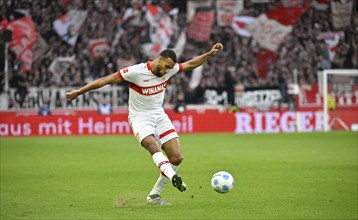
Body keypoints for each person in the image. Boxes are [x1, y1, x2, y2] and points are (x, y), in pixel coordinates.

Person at [66, 43, 224, 205]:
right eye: (166, 67)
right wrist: (78, 92)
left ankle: (154, 196)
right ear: (159, 59)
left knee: (176, 158)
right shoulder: (135, 72)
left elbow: (191, 64)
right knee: (152, 146)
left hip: (159, 115)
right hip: (139, 117)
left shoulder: (169, 69)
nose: (167, 71)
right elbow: (106, 80)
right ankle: (173, 176)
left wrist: (210, 54)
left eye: (170, 68)